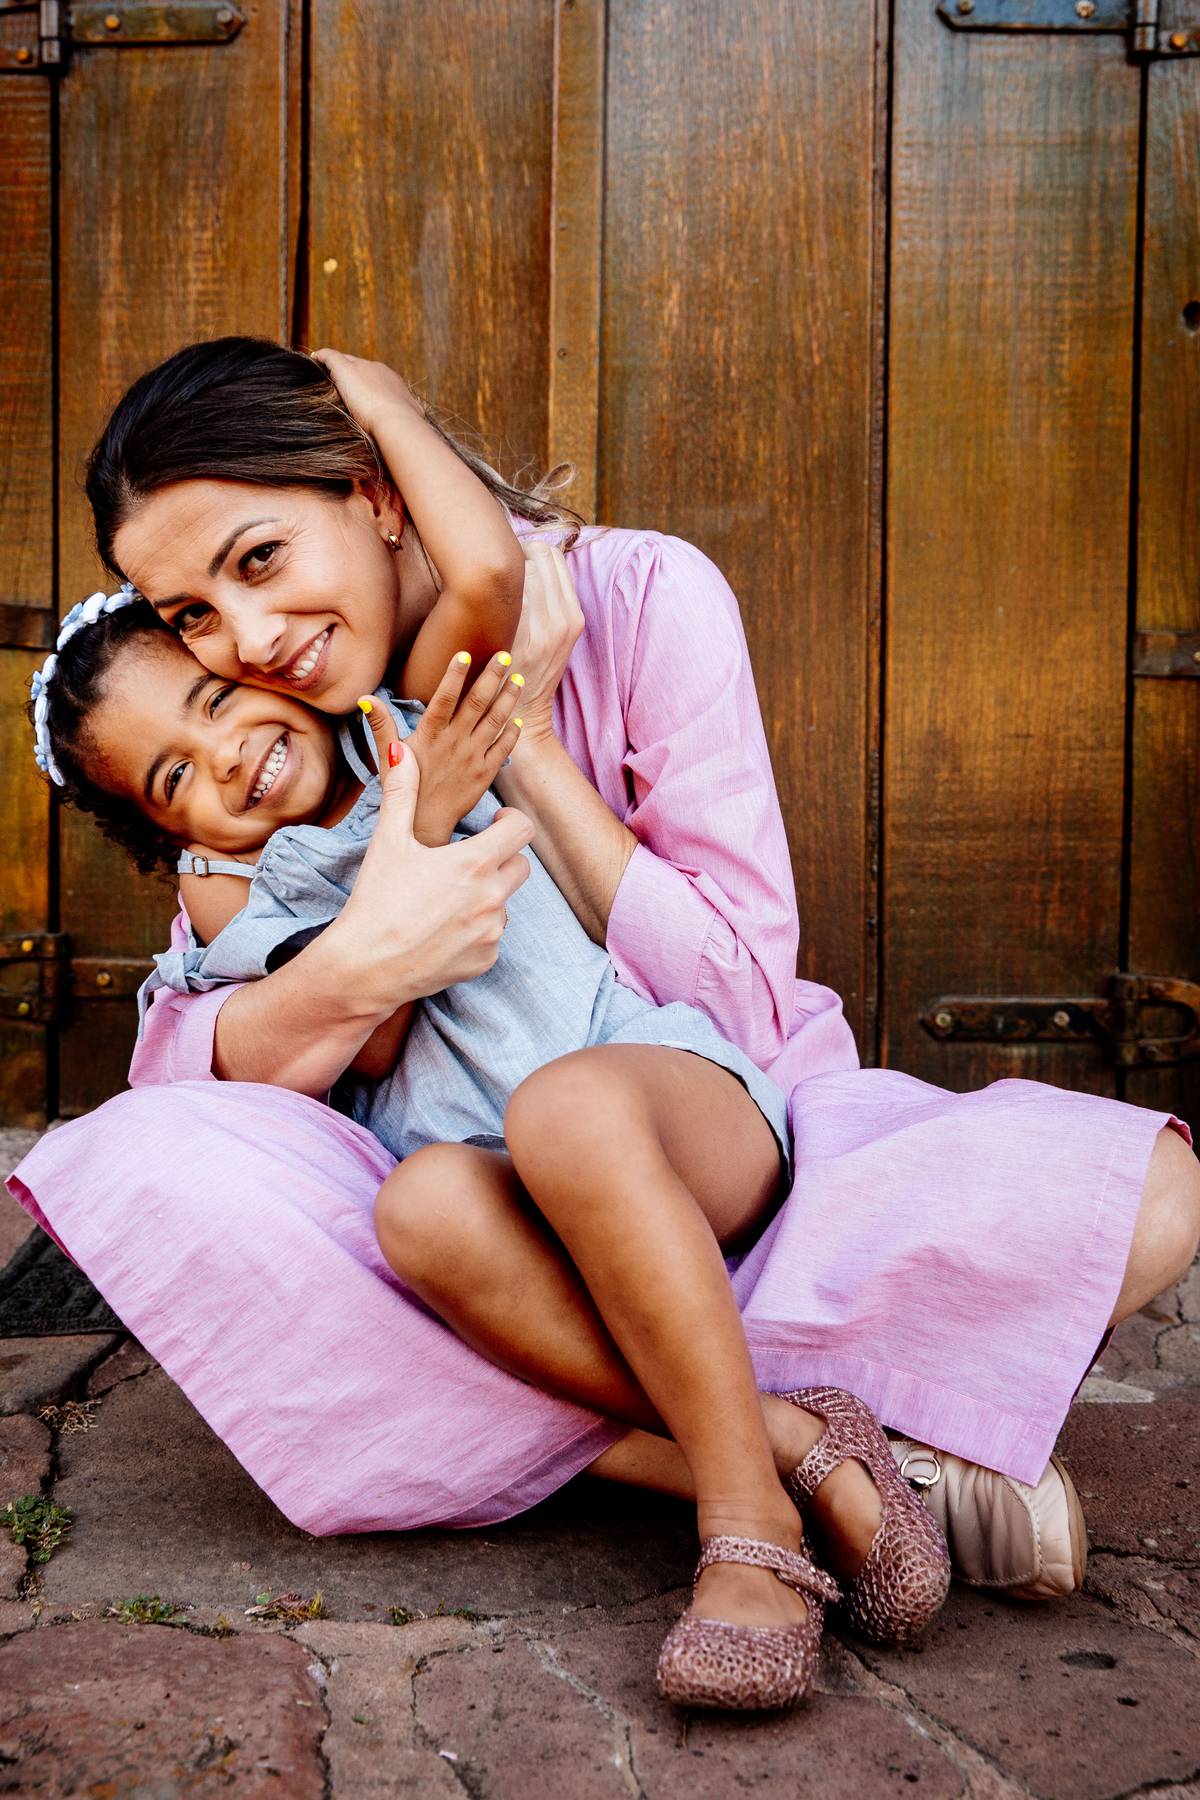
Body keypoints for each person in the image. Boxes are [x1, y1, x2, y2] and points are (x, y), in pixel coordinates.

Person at [10, 338, 1200, 1692]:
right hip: (509, 1239)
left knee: (1147, 1196)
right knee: (360, 1205)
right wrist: (365, 954)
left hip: (722, 1149)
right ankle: (799, 1452)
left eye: (260, 562)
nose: (246, 643)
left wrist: (516, 735)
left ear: (377, 490)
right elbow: (195, 1080)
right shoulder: (275, 762)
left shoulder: (573, 626)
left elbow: (740, 999)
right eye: (193, 617)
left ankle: (697, 1474)